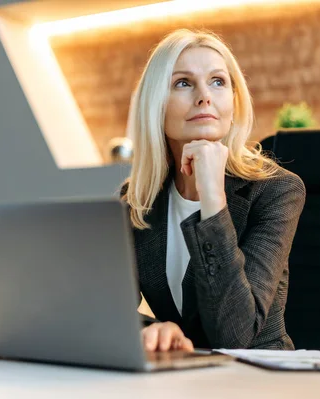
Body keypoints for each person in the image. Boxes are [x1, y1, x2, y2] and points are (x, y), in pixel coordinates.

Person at [120, 29, 306, 353]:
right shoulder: (137, 200)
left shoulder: (277, 191)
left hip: (258, 379)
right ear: (155, 104)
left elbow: (234, 337)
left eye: (218, 81)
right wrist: (157, 330)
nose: (205, 96)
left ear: (234, 99)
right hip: (180, 375)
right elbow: (108, 311)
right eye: (183, 82)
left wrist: (213, 199)